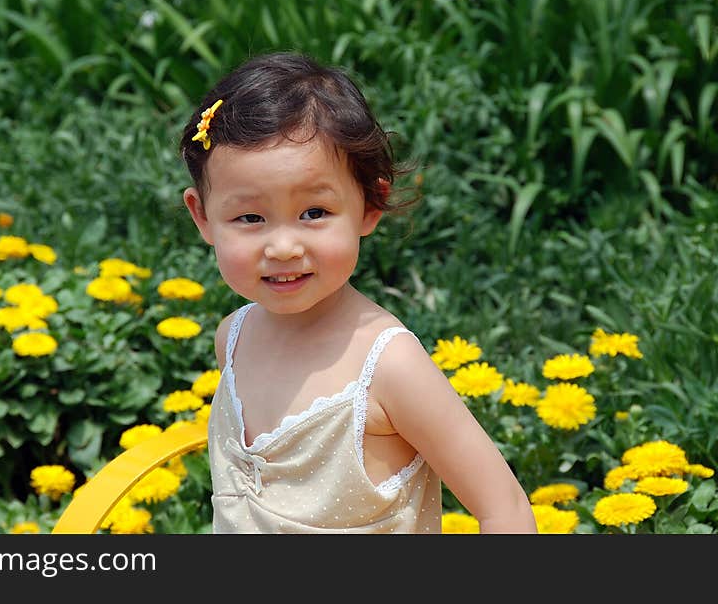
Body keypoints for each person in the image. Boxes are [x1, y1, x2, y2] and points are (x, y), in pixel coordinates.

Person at [179, 51, 537, 534]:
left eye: (314, 213)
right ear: (202, 217)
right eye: (250, 218)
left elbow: (505, 510)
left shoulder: (388, 367)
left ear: (371, 205)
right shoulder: (234, 338)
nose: (283, 247)